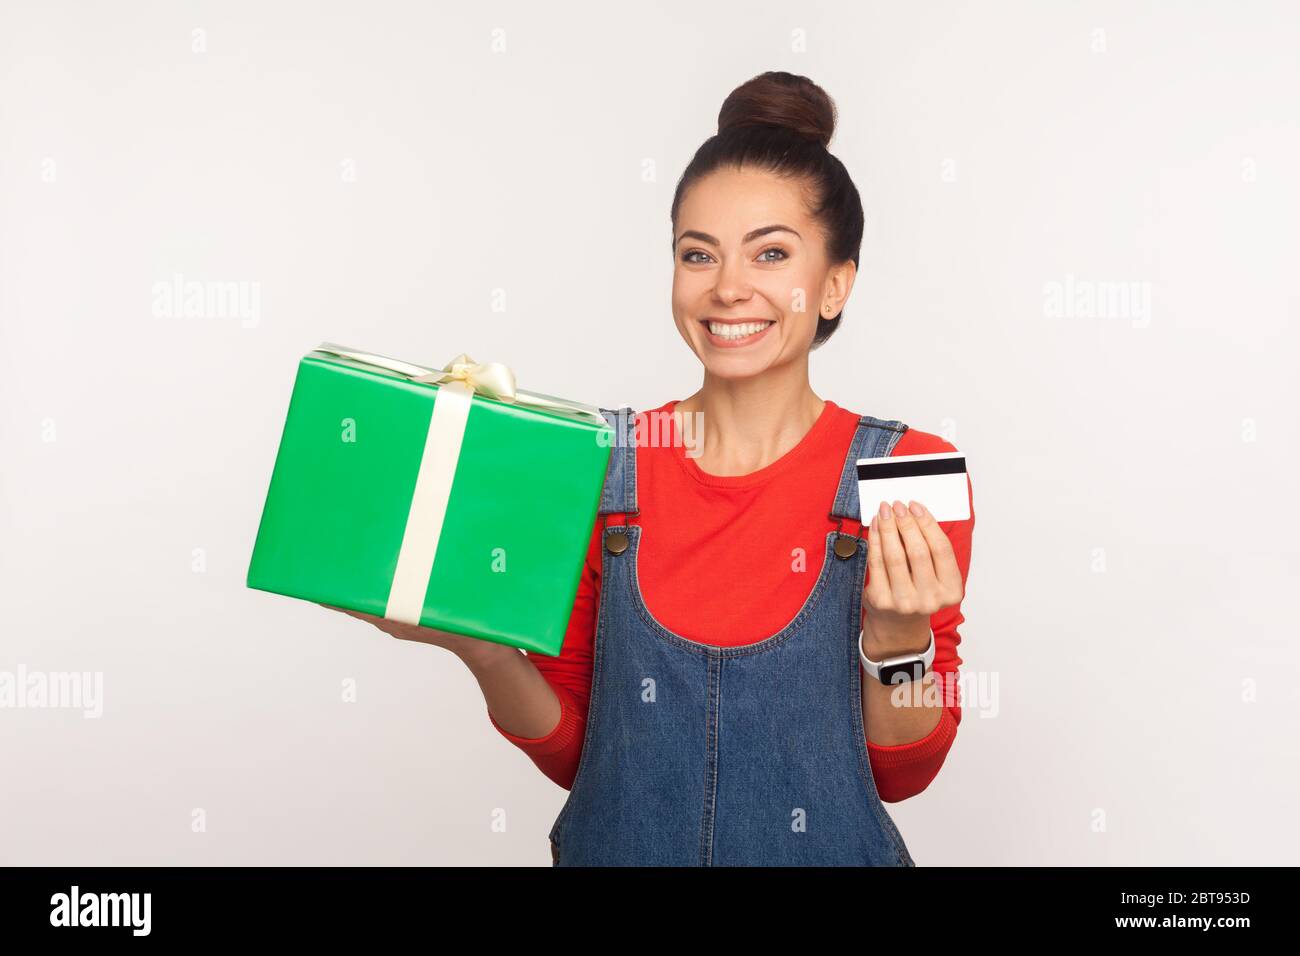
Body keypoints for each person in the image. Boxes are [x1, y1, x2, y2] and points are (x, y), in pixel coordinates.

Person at [329, 71, 975, 866]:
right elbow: (583, 759)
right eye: (697, 254)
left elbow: (905, 772)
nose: (729, 288)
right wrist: (481, 647)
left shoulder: (905, 474)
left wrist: (900, 637)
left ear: (835, 284)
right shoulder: (599, 463)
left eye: (771, 253)